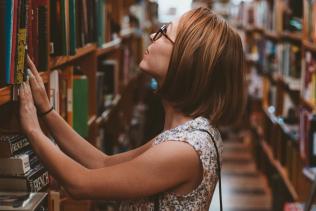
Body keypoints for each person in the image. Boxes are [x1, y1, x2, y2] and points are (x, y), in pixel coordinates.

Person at [19, 7, 246, 210]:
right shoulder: (188, 133)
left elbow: (80, 184)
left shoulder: (183, 149)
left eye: (164, 32)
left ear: (187, 59)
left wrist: (32, 129)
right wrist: (46, 111)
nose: (151, 36)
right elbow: (102, 163)